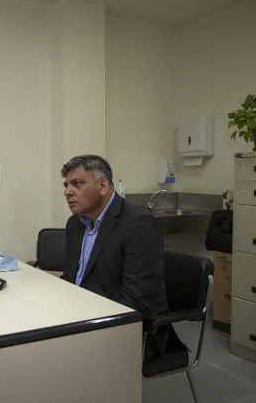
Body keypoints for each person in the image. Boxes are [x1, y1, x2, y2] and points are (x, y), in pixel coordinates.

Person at [60, 154, 168, 359]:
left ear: (102, 186)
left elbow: (137, 301)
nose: (68, 192)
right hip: (82, 316)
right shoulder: (75, 224)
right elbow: (71, 278)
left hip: (126, 327)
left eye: (77, 183)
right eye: (66, 185)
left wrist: (82, 318)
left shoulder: (137, 224)